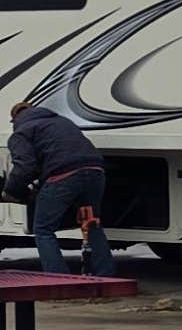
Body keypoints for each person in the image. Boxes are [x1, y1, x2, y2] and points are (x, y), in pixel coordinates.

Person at [5, 100, 118, 273]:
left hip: (64, 176)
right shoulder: (62, 122)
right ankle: (107, 274)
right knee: (91, 223)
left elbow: (25, 167)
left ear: (15, 119)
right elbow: (55, 154)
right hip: (95, 172)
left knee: (43, 229)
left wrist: (11, 190)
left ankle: (58, 277)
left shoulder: (21, 132)